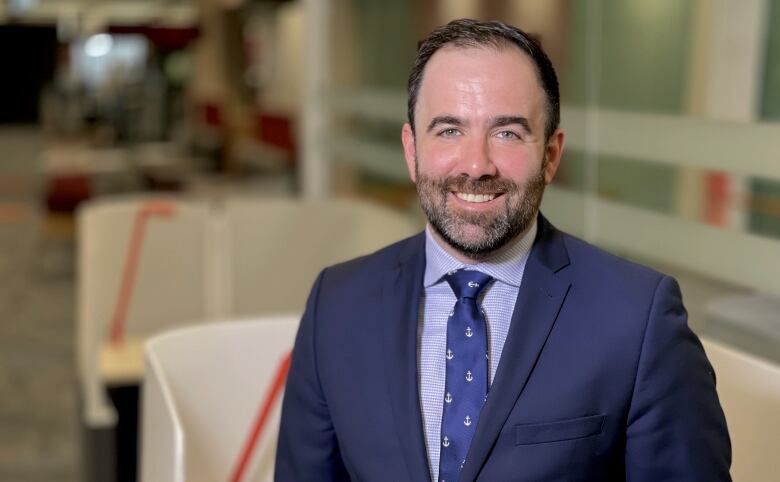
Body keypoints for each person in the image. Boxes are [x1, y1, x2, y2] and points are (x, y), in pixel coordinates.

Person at [275, 19, 731, 481]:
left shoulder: (638, 320)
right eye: (449, 130)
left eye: (508, 133)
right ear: (412, 152)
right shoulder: (335, 305)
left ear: (551, 156)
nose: (476, 165)